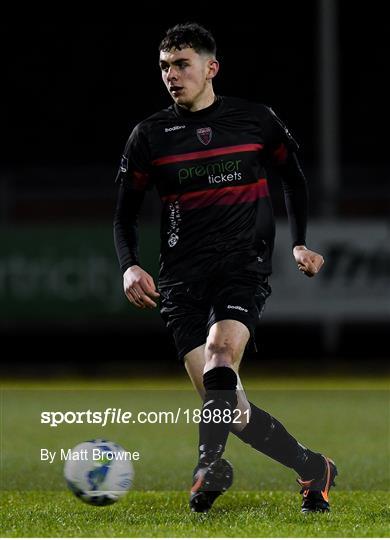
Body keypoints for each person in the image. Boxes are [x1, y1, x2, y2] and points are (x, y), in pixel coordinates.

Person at [113, 22, 337, 514]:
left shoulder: (256, 120)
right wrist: (130, 266)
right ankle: (312, 466)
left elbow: (293, 178)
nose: (172, 75)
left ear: (210, 68)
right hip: (179, 278)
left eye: (182, 65)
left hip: (243, 265)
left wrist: (299, 242)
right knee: (230, 408)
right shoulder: (149, 136)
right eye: (165, 67)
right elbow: (125, 215)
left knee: (221, 353)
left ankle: (206, 467)